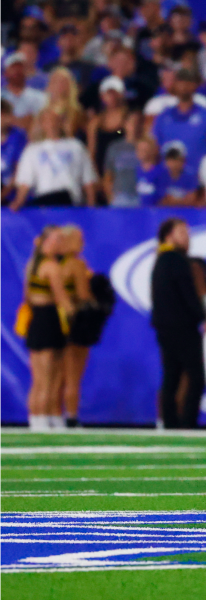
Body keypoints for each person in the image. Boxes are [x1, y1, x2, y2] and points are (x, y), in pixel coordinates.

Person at [152, 218, 206, 430]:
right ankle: (187, 423)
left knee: (171, 375)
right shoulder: (177, 260)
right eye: (182, 232)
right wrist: (203, 318)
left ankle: (169, 422)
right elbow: (188, 295)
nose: (187, 236)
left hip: (164, 326)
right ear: (168, 236)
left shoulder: (160, 259)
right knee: (195, 376)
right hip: (182, 327)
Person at [23, 227, 74, 431]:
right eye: (58, 240)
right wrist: (75, 316)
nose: (61, 244)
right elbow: (62, 298)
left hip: (36, 318)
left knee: (40, 377)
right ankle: (42, 418)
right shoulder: (51, 266)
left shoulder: (32, 264)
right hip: (48, 319)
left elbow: (27, 295)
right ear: (47, 242)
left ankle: (38, 418)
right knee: (48, 378)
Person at [11, 109, 98, 210]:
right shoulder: (32, 150)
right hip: (44, 203)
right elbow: (25, 182)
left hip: (71, 203)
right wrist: (18, 202)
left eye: (54, 120)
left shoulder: (76, 146)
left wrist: (92, 207)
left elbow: (88, 179)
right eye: (46, 121)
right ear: (42, 124)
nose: (51, 124)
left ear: (60, 122)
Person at [59, 226, 96, 429]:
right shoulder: (76, 264)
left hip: (56, 322)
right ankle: (71, 416)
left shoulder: (54, 264)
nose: (82, 242)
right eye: (79, 238)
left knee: (57, 376)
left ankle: (52, 416)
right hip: (74, 324)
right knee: (73, 376)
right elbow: (83, 296)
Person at [151, 68, 206, 171]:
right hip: (170, 179)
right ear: (175, 85)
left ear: (195, 85)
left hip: (200, 177)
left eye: (188, 82)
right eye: (180, 82)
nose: (184, 86)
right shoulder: (163, 117)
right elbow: (155, 146)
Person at [87, 76, 129, 177]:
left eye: (115, 93)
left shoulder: (129, 119)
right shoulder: (96, 123)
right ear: (102, 96)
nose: (112, 97)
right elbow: (91, 151)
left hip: (124, 170)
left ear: (122, 94)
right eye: (108, 93)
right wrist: (94, 174)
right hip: (101, 171)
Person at [103, 112, 143, 206]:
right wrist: (110, 197)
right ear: (125, 124)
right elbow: (108, 175)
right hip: (120, 197)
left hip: (142, 197)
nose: (135, 125)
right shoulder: (115, 147)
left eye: (138, 122)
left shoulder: (147, 147)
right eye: (132, 122)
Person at [0, 52, 48, 130]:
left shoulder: (39, 97)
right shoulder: (1, 96)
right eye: (13, 68)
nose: (17, 71)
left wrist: (9, 119)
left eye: (20, 67)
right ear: (6, 73)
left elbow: (42, 121)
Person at [0, 99, 28, 205]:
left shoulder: (18, 136)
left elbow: (19, 170)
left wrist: (2, 195)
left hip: (12, 192)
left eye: (3, 116)